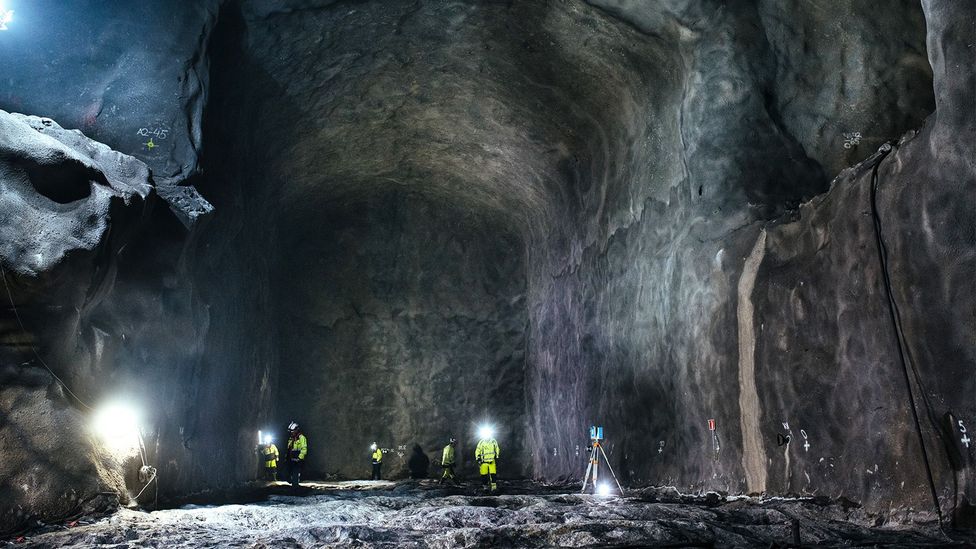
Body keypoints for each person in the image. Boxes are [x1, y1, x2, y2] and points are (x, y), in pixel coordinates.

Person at [286, 422, 307, 487]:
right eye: (290, 432)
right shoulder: (291, 438)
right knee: (288, 472)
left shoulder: (302, 438)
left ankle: (295, 487)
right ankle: (292, 483)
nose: (291, 433)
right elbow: (289, 448)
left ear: (296, 430)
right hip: (291, 458)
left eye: (292, 431)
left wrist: (300, 458)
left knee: (295, 473)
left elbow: (304, 448)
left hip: (298, 459)